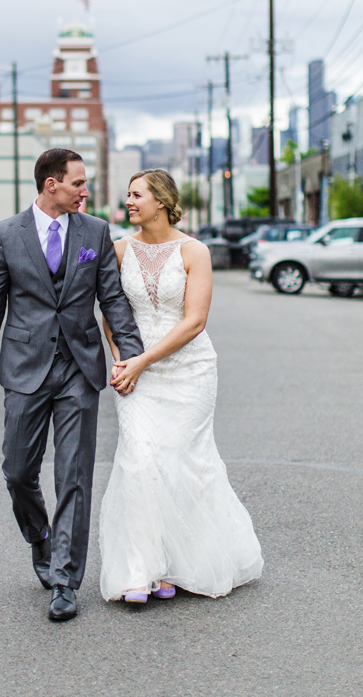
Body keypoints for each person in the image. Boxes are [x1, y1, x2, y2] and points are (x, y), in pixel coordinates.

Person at [0, 148, 145, 621]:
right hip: (25, 368)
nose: (85, 191)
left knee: (74, 477)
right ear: (51, 184)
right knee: (18, 472)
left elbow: (113, 300)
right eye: (78, 183)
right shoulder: (7, 234)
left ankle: (65, 580)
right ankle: (40, 538)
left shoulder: (94, 232)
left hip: (78, 370)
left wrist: (131, 357)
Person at [98, 169, 263, 603]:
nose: (129, 201)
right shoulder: (117, 250)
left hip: (188, 370)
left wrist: (142, 361)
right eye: (128, 195)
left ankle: (174, 565)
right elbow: (111, 312)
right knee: (138, 460)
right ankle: (140, 570)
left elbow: (194, 321)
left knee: (182, 463)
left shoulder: (195, 251)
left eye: (136, 195)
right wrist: (120, 361)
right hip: (134, 372)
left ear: (162, 200)